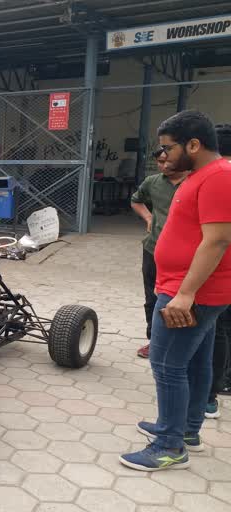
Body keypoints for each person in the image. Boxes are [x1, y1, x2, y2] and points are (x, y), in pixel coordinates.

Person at [120, 110, 231, 472]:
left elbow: (216, 241)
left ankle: (169, 445)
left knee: (167, 365)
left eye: (168, 148)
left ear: (194, 145)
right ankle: (186, 430)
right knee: (195, 361)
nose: (163, 155)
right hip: (188, 287)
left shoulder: (217, 178)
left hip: (191, 292)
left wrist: (185, 294)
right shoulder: (203, 176)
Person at [131, 152, 189, 359]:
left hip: (186, 254)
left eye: (168, 161)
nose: (164, 166)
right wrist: (148, 217)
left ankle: (181, 343)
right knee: (152, 297)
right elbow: (136, 200)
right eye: (160, 162)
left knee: (181, 298)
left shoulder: (195, 181)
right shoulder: (152, 182)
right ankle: (154, 341)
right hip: (153, 248)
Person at [205, 123, 231, 419]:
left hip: (217, 273)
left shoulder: (218, 178)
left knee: (218, 329)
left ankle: (209, 395)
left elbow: (216, 238)